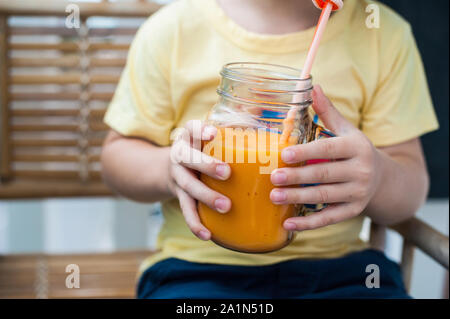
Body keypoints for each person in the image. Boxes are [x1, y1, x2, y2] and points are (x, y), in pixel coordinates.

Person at [101, 0, 439, 298]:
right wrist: (167, 169)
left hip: (342, 272)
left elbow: (410, 188)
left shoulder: (384, 36)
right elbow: (116, 158)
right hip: (198, 270)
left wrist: (378, 177)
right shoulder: (171, 31)